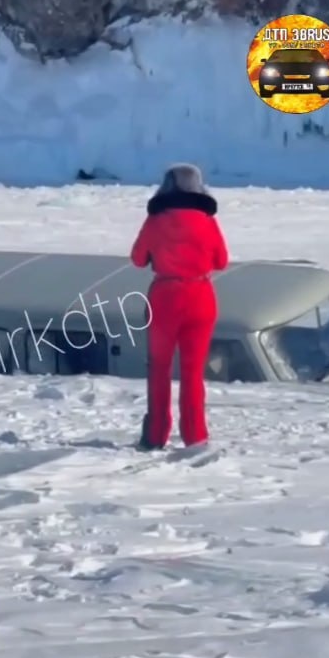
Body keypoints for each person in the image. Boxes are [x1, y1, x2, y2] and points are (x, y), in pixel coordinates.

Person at [130, 163, 229, 451]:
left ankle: (156, 433)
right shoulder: (207, 220)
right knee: (193, 371)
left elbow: (138, 259)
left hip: (165, 297)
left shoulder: (156, 220)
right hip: (200, 296)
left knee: (159, 368)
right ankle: (195, 435)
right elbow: (221, 261)